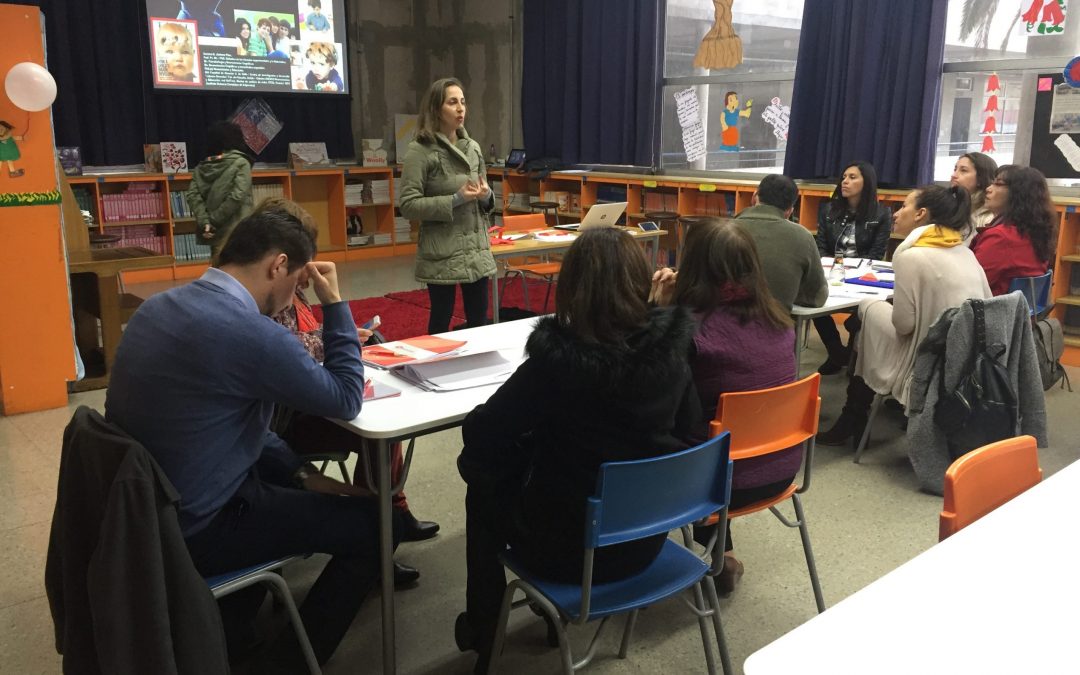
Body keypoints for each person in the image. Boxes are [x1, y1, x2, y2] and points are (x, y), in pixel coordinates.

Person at [105, 199, 396, 672]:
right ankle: (288, 664)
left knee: (295, 489)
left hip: (150, 508)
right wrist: (336, 305)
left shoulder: (159, 307)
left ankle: (231, 631)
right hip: (200, 523)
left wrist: (302, 474)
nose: (292, 299)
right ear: (279, 264)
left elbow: (229, 423)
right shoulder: (249, 331)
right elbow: (346, 398)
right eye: (297, 283)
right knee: (377, 526)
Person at [454, 226, 702, 673]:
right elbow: (691, 434)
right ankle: (533, 623)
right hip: (646, 540)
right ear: (639, 281)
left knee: (479, 478)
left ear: (571, 288)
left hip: (567, 552)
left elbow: (484, 433)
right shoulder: (673, 353)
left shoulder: (556, 365)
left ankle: (483, 631)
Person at [652, 218, 796, 596]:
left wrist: (659, 314)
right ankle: (724, 555)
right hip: (781, 467)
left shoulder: (693, 330)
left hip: (717, 482)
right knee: (714, 434)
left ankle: (625, 564)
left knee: (663, 438)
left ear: (692, 267)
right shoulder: (780, 319)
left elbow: (650, 393)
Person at [271, 287, 442, 557]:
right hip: (289, 419)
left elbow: (308, 336)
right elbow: (290, 348)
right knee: (373, 430)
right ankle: (376, 535)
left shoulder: (295, 292)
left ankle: (390, 516)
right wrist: (341, 336)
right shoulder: (269, 299)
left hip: (316, 397)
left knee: (382, 424)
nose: (310, 270)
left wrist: (344, 333)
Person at [817, 185, 992, 446]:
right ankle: (854, 415)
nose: (896, 214)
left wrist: (868, 307)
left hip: (928, 356)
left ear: (921, 214)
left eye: (904, 207)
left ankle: (854, 415)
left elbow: (904, 325)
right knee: (865, 318)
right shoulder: (965, 251)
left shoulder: (912, 256)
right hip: (966, 356)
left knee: (865, 314)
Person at [399, 77, 497, 334]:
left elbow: (485, 195)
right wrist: (455, 200)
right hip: (442, 251)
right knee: (441, 321)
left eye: (463, 102)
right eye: (452, 102)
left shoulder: (473, 147)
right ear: (436, 109)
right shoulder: (419, 150)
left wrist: (486, 195)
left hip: (476, 249)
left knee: (479, 322)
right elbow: (408, 205)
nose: (460, 108)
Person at [813, 161, 893, 374]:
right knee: (814, 306)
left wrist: (850, 273)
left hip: (863, 276)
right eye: (844, 177)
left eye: (852, 177)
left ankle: (851, 352)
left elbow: (876, 254)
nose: (845, 182)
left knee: (861, 314)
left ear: (867, 183)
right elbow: (821, 246)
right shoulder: (829, 210)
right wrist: (831, 269)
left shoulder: (881, 214)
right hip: (830, 273)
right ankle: (836, 352)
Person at [734, 174, 827, 311]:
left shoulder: (722, 230)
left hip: (716, 327)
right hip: (773, 328)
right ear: (790, 211)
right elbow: (818, 297)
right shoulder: (802, 236)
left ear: (754, 197)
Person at [971, 165, 1058, 296]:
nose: (988, 189)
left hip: (990, 311)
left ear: (1019, 194)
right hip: (1017, 313)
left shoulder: (1001, 237)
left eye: (998, 184)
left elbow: (971, 283)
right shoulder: (1033, 233)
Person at [186, 120, 254, 262]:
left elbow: (193, 196)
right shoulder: (241, 163)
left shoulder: (201, 167)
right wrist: (214, 221)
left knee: (218, 269)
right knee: (239, 270)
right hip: (237, 230)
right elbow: (237, 196)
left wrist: (206, 222)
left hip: (212, 233)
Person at [950, 152, 997, 232]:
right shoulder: (948, 207)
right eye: (955, 169)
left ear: (981, 178)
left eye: (963, 170)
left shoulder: (989, 218)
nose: (954, 175)